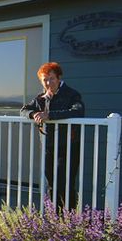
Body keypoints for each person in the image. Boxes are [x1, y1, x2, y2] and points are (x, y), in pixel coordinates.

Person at [21, 62, 85, 211]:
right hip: (49, 146)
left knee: (65, 182)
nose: (48, 83)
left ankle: (69, 219)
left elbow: (78, 111)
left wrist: (50, 115)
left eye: (51, 78)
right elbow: (24, 110)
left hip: (68, 145)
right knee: (51, 181)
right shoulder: (41, 98)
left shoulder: (71, 94)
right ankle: (54, 217)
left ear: (59, 77)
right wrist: (33, 114)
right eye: (45, 79)